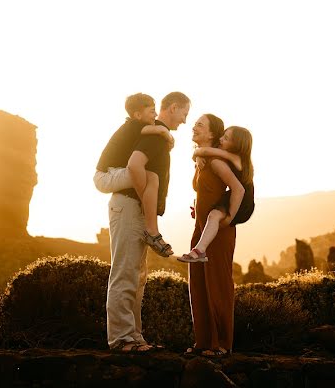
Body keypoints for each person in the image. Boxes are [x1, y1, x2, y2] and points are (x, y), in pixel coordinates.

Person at [105, 91, 191, 353]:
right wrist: (146, 201)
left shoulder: (154, 132)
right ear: (173, 108)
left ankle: (134, 336)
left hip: (134, 207)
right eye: (185, 114)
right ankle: (121, 339)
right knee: (126, 273)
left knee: (137, 276)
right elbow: (134, 166)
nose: (185, 121)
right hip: (131, 206)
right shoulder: (156, 135)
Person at [184, 114, 246, 357]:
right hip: (201, 229)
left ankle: (221, 344)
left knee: (217, 284)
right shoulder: (202, 160)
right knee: (199, 285)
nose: (194, 126)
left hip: (218, 233)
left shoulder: (216, 162)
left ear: (212, 134)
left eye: (200, 124)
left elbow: (238, 188)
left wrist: (229, 217)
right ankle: (203, 342)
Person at [95, 93, 174, 248]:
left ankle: (151, 227)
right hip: (104, 176)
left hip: (109, 175)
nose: (156, 114)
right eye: (152, 111)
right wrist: (166, 134)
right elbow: (156, 130)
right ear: (138, 115)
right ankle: (152, 231)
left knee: (151, 177)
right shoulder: (133, 126)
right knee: (152, 177)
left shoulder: (134, 126)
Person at [178, 125, 253, 263]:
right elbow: (201, 151)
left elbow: (240, 190)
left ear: (236, 145)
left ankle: (199, 251)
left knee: (214, 215)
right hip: (233, 195)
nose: (220, 139)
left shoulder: (235, 157)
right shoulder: (229, 155)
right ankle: (199, 250)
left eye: (226, 138)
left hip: (243, 202)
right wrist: (198, 156)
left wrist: (230, 216)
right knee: (213, 216)